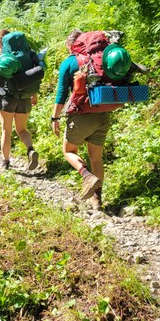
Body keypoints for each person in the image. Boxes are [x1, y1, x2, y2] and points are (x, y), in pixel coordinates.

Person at [49, 29, 108, 210]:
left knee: (68, 151)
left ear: (71, 45)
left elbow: (61, 94)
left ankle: (86, 175)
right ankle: (97, 200)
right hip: (103, 115)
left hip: (81, 115)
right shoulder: (102, 58)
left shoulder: (69, 62)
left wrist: (55, 117)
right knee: (96, 159)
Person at [0, 29, 39, 171]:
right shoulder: (28, 56)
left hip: (7, 99)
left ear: (1, 44)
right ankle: (30, 149)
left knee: (6, 131)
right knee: (22, 129)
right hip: (25, 98)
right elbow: (33, 78)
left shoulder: (1, 59)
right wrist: (34, 95)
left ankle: (6, 162)